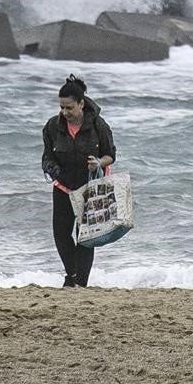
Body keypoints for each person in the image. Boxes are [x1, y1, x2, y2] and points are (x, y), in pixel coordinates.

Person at [41, 75, 116, 288]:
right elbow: (47, 155)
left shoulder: (98, 125)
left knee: (85, 237)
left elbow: (110, 154)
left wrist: (99, 162)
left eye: (69, 108)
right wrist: (50, 167)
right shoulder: (53, 126)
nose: (65, 112)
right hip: (63, 187)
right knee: (61, 234)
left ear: (81, 104)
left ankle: (80, 282)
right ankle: (71, 274)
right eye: (62, 107)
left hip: (90, 189)